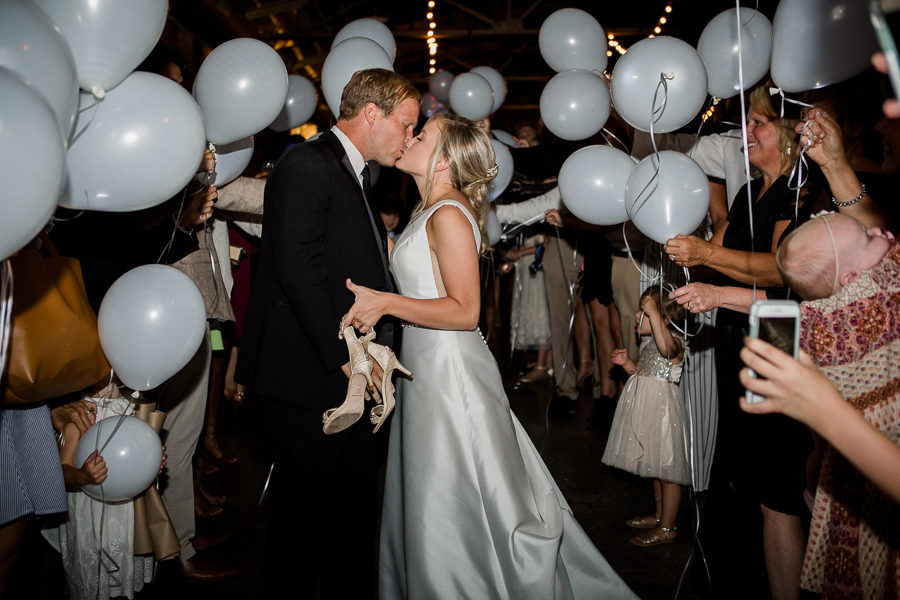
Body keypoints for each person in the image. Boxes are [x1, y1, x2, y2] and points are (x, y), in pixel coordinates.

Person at [342, 113, 637, 599]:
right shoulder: (427, 210)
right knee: (439, 489)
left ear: (444, 160)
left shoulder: (449, 214)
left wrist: (386, 303)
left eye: (423, 135)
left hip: (450, 370)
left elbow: (464, 311)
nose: (410, 138)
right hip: (427, 367)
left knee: (455, 485)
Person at [235, 68, 420, 598]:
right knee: (301, 516)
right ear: (371, 115)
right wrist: (344, 359)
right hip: (308, 374)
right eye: (405, 125)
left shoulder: (352, 171)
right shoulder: (307, 164)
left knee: (345, 505)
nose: (409, 137)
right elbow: (297, 268)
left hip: (337, 368)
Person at [746, 213, 899, 597]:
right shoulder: (887, 284)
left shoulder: (810, 323)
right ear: (849, 279)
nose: (879, 229)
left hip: (846, 486)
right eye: (868, 236)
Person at [42, 389, 160, 599]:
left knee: (124, 557)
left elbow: (141, 453)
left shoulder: (135, 406)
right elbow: (63, 470)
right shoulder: (81, 412)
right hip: (91, 511)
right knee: (93, 572)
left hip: (127, 509)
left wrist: (153, 463)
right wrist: (82, 476)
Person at [602, 287, 690, 547]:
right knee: (654, 467)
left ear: (663, 319)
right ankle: (659, 515)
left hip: (663, 415)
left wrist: (654, 312)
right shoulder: (651, 344)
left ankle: (668, 527)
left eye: (645, 312)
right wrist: (627, 364)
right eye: (642, 311)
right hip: (647, 413)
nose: (638, 316)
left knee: (668, 472)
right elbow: (642, 372)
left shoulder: (673, 342)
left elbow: (667, 351)